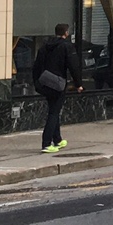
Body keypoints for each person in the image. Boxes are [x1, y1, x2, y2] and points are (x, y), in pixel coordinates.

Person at [31, 22, 83, 153]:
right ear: (66, 33)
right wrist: (78, 84)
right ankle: (46, 143)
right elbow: (74, 66)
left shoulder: (44, 46)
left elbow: (36, 66)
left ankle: (58, 140)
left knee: (54, 110)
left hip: (45, 82)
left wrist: (37, 82)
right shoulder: (67, 46)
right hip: (58, 83)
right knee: (54, 113)